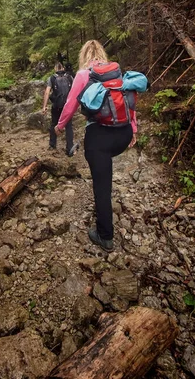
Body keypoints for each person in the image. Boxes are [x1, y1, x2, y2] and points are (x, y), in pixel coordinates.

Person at [55, 40, 137, 253]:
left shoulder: (84, 74)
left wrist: (60, 126)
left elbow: (71, 104)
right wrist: (134, 130)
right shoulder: (115, 71)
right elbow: (129, 101)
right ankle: (106, 216)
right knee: (106, 162)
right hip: (123, 133)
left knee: (102, 185)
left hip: (99, 138)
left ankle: (105, 236)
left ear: (84, 56)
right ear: (102, 54)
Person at [42, 62, 74, 155]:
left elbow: (47, 92)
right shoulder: (69, 77)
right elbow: (73, 91)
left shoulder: (52, 78)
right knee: (68, 126)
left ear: (55, 68)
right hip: (67, 106)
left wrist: (44, 106)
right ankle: (69, 148)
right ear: (63, 68)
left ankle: (52, 145)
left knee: (54, 124)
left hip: (56, 106)